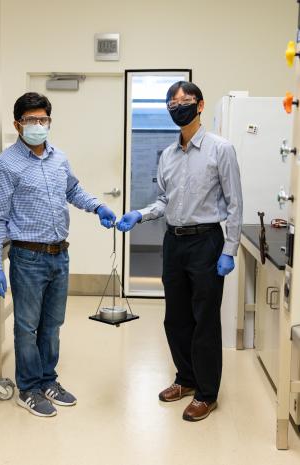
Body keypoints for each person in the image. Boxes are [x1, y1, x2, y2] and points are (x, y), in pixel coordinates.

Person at [117, 81, 242, 421]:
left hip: (206, 242)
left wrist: (228, 249)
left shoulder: (221, 149)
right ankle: (185, 379)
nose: (178, 107)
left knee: (204, 320)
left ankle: (206, 393)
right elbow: (164, 200)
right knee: (176, 318)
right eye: (172, 103)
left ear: (200, 106)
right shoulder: (169, 154)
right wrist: (140, 214)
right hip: (174, 241)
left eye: (184, 101)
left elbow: (235, 204)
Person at [0, 92, 116, 417]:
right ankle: (28, 388)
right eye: (31, 120)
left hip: (60, 255)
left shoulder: (59, 158)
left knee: (52, 325)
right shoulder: (5, 164)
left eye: (43, 119)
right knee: (27, 326)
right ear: (18, 124)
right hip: (28, 257)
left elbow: (72, 190)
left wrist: (98, 205)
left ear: (49, 121)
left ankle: (48, 381)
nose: (38, 125)